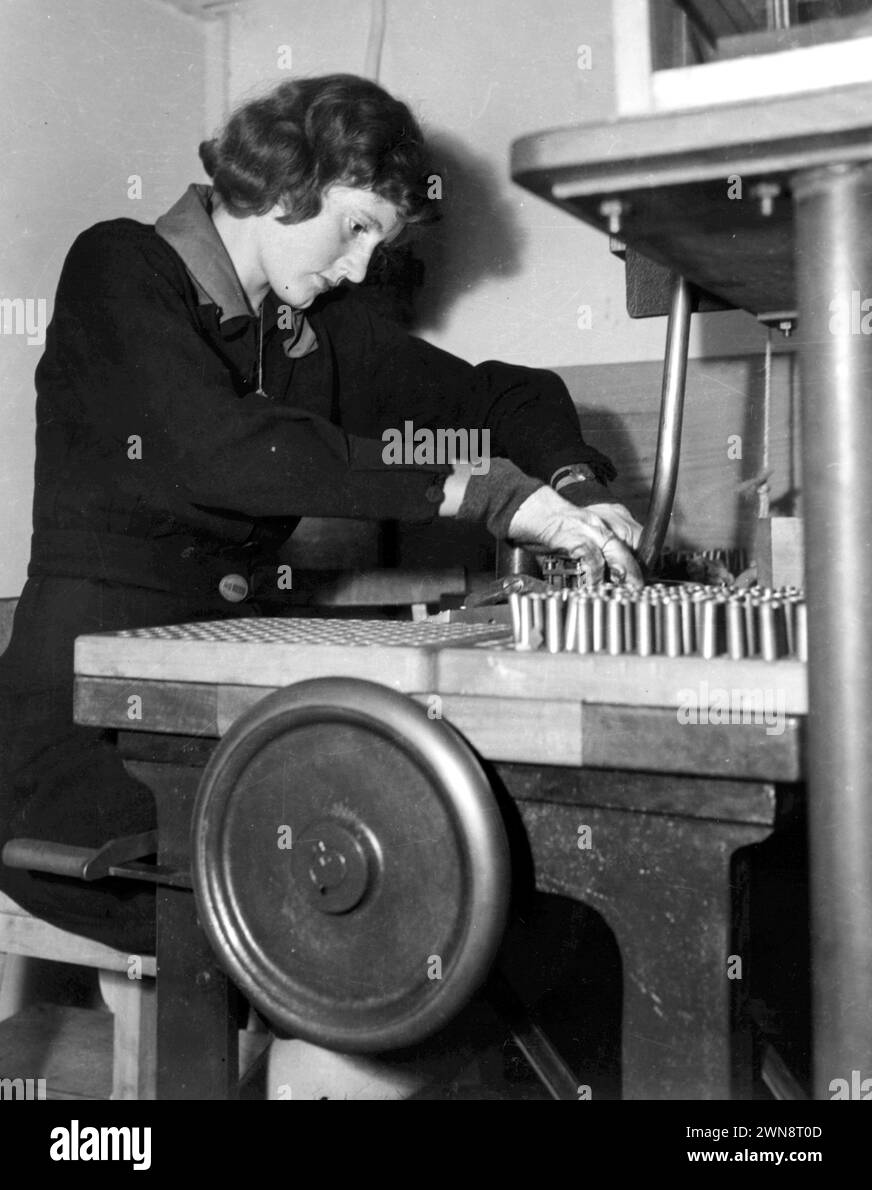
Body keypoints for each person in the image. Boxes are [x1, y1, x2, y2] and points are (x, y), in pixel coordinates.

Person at [0, 73, 641, 964]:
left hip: (215, 712)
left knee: (407, 888)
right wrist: (474, 489)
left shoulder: (310, 331)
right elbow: (222, 450)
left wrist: (570, 485)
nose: (361, 267)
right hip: (78, 733)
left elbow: (507, 394)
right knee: (351, 922)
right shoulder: (118, 266)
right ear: (288, 179)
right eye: (356, 227)